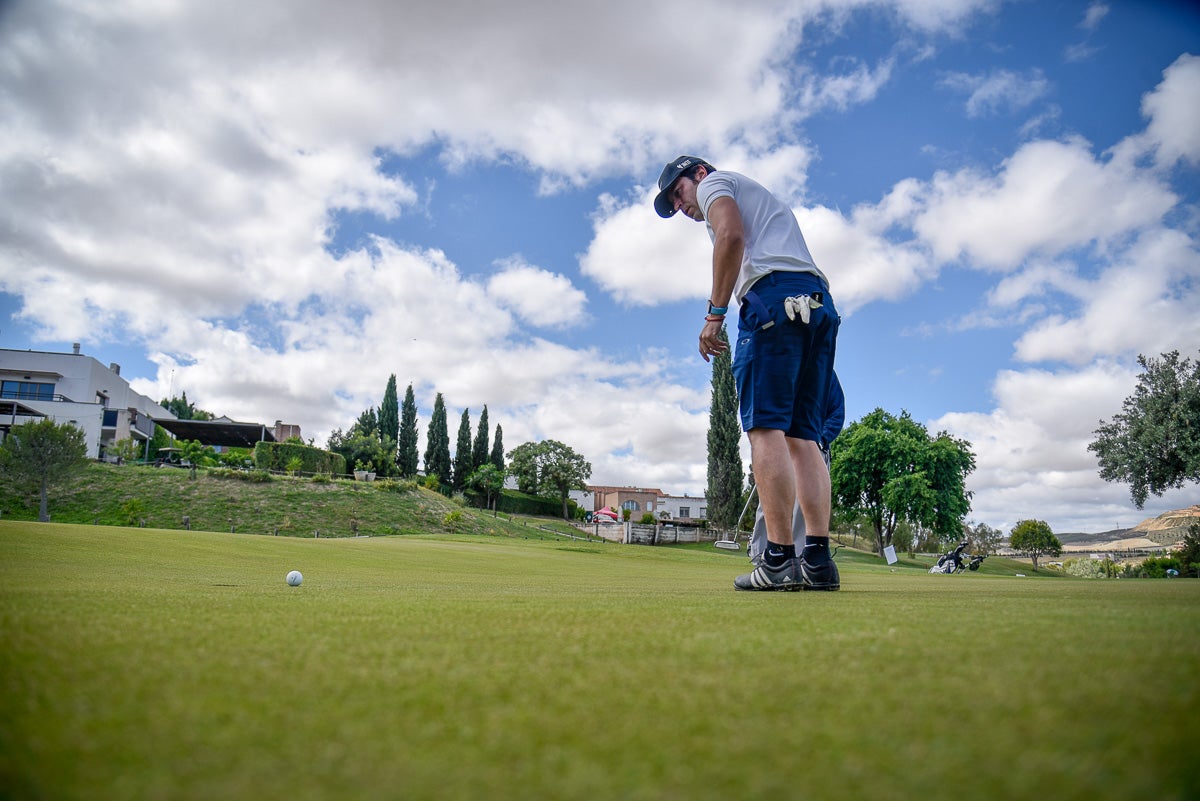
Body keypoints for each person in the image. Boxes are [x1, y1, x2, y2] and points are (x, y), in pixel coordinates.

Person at [654, 155, 841, 591]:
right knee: (803, 436)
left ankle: (777, 559)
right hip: (817, 304)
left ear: (696, 174)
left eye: (677, 193)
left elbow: (730, 235)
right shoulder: (760, 197)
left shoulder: (714, 183)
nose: (680, 205)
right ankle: (817, 560)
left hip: (773, 303)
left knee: (765, 430)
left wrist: (715, 315)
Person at [747, 372, 844, 567]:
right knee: (769, 502)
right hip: (780, 450)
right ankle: (762, 553)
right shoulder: (781, 368)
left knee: (802, 506)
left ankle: (800, 557)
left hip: (812, 447)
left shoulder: (826, 375)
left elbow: (837, 412)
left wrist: (819, 440)